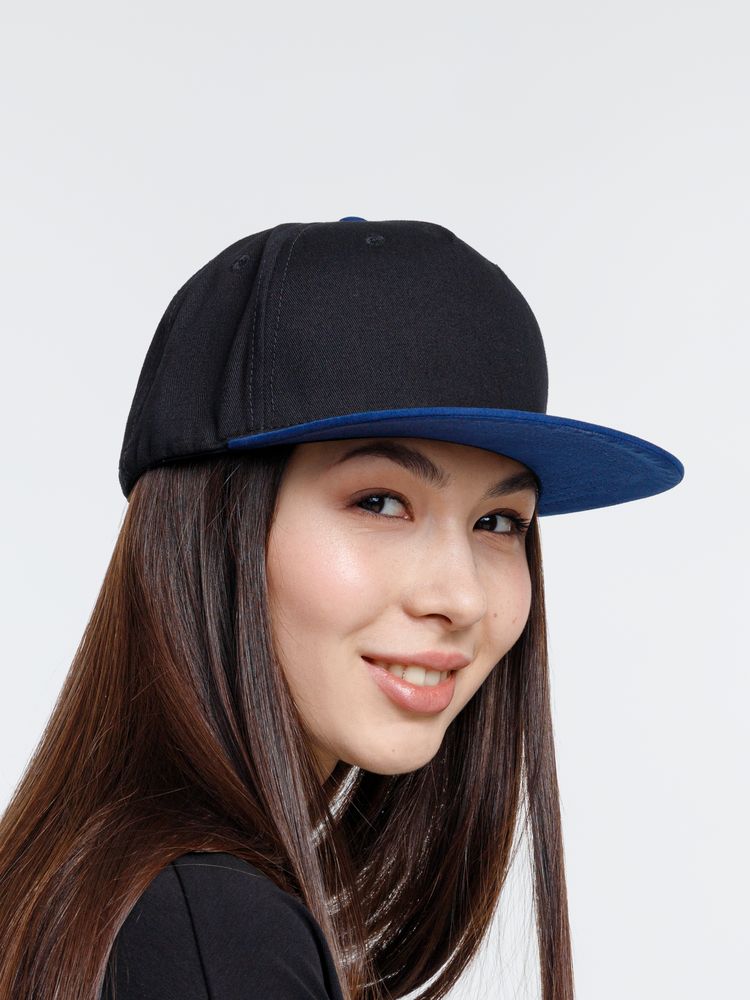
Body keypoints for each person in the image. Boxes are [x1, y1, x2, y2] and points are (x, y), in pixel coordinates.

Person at [0, 217, 684, 1000]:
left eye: (499, 522)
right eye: (381, 502)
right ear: (214, 531)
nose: (461, 597)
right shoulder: (212, 930)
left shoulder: (102, 888)